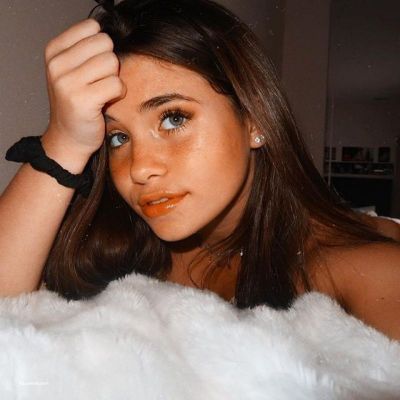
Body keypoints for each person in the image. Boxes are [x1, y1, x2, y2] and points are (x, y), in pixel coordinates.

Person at [0, 0, 399, 340]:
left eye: (173, 118)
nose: (140, 168)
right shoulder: (114, 246)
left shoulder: (364, 272)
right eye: (118, 137)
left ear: (255, 119)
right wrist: (64, 139)